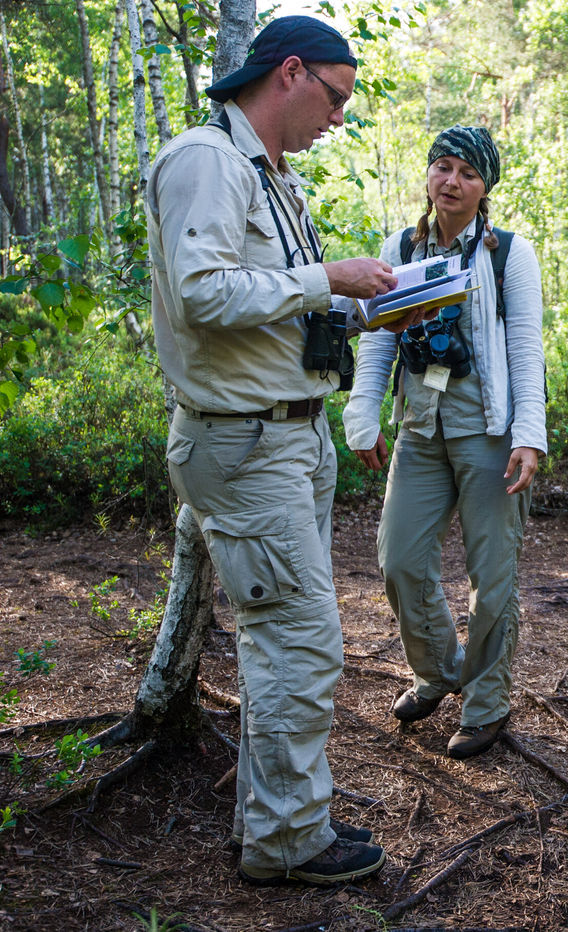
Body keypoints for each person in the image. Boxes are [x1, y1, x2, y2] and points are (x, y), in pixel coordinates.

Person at [150, 15, 411, 886]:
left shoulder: (275, 179)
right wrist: (324, 277)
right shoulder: (208, 162)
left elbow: (273, 306)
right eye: (334, 97)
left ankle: (280, 818)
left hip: (293, 436)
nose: (338, 117)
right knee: (299, 642)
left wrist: (368, 300)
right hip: (244, 441)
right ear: (289, 73)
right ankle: (287, 841)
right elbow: (201, 293)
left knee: (283, 641)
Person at [342, 124, 547, 762]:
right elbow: (379, 337)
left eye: (467, 172)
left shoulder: (508, 253)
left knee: (492, 575)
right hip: (421, 423)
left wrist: (528, 437)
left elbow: (525, 351)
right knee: (399, 558)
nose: (452, 182)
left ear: (485, 187)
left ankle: (485, 701)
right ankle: (438, 671)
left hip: (488, 428)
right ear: (428, 175)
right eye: (443, 168)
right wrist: (362, 415)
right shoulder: (399, 246)